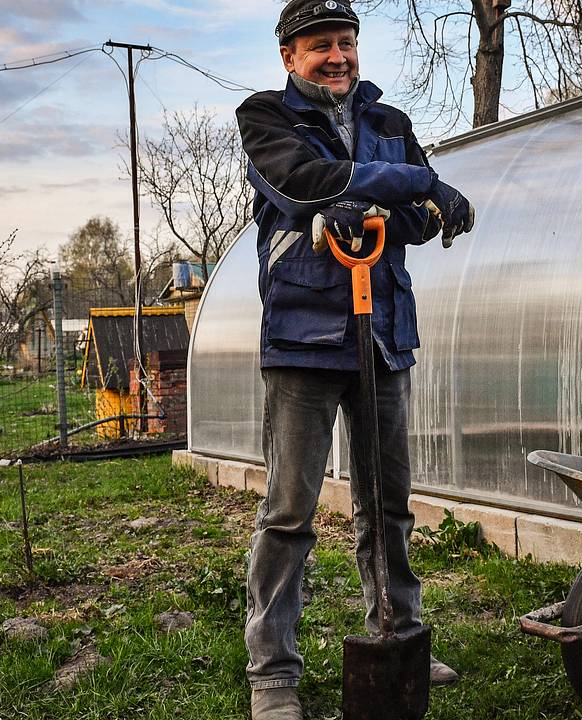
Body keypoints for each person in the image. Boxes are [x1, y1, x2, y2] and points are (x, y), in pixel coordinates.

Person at [235, 1, 476, 718]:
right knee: (288, 513)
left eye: (346, 42)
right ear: (289, 57)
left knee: (387, 505)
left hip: (382, 333)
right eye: (319, 46)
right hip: (304, 339)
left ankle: (398, 637)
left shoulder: (390, 122)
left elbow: (413, 224)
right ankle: (272, 673)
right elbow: (300, 182)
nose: (336, 56)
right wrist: (412, 185)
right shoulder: (265, 118)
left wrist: (381, 197)